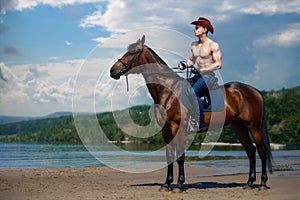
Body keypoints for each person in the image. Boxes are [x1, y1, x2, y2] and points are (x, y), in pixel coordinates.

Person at [179, 17, 222, 132]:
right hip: (199, 75)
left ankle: (200, 122)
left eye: (197, 28)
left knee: (193, 92)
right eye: (195, 28)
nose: (195, 30)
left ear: (205, 29)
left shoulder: (213, 45)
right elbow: (191, 61)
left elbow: (218, 64)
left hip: (209, 77)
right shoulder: (194, 45)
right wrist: (184, 65)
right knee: (182, 88)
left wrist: (204, 70)